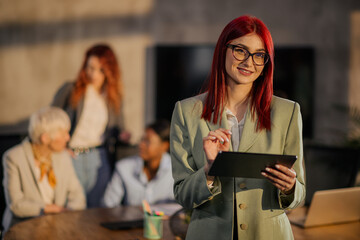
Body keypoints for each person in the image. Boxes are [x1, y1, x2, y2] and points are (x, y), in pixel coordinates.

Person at [170, 15, 305, 240]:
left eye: (259, 55)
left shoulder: (287, 112)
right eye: (240, 50)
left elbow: (299, 192)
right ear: (222, 50)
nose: (249, 62)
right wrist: (210, 169)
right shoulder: (187, 111)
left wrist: (290, 187)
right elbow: (182, 194)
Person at [52, 44, 130, 208]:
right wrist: (61, 148)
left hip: (99, 157)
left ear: (109, 71)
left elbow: (118, 128)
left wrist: (123, 135)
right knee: (72, 208)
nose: (93, 74)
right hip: (73, 155)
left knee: (98, 209)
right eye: (90, 67)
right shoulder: (71, 90)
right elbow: (51, 119)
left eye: (100, 70)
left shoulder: (113, 97)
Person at [2, 107, 86, 233]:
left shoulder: (63, 156)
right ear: (45, 138)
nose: (68, 138)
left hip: (58, 227)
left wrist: (69, 214)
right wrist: (51, 209)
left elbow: (78, 195)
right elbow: (16, 205)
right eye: (63, 133)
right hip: (23, 229)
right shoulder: (14, 157)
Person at [102, 119, 175, 207]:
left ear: (165, 146)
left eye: (147, 141)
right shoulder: (123, 168)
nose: (141, 145)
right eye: (141, 140)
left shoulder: (176, 171)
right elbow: (108, 204)